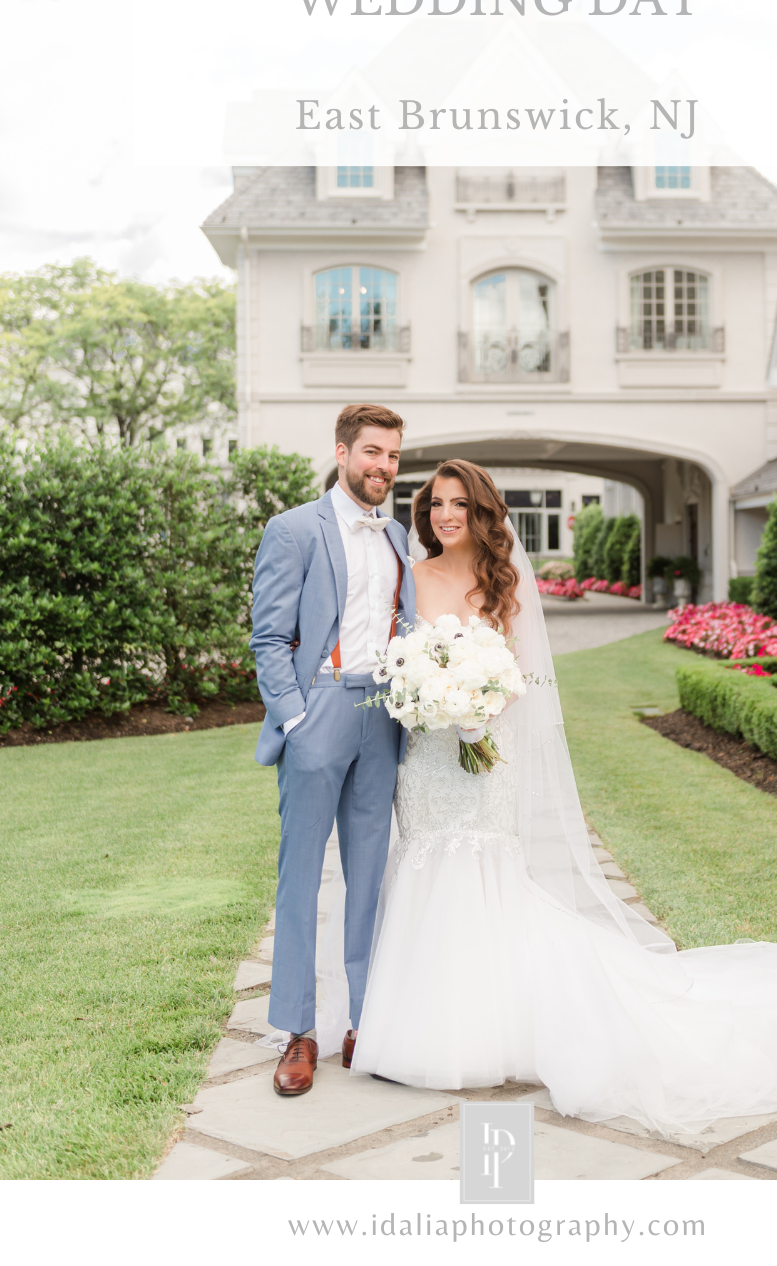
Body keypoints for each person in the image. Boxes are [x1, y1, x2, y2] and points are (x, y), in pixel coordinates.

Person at [316, 458, 777, 1135]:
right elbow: (384, 662)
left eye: (459, 504)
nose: (445, 515)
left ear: (482, 515)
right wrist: (423, 702)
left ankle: (485, 1029)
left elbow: (522, 679)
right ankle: (413, 1024)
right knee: (422, 868)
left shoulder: (503, 588)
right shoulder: (407, 581)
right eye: (436, 503)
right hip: (423, 760)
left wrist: (477, 710)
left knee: (479, 872)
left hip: (481, 758)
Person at [250, 403, 415, 1098]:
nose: (384, 467)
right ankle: (298, 1031)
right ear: (343, 452)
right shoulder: (293, 530)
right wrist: (294, 719)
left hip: (382, 717)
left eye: (394, 457)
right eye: (372, 452)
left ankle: (365, 1023)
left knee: (370, 879)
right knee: (300, 881)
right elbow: (266, 637)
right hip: (318, 709)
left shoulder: (401, 535)